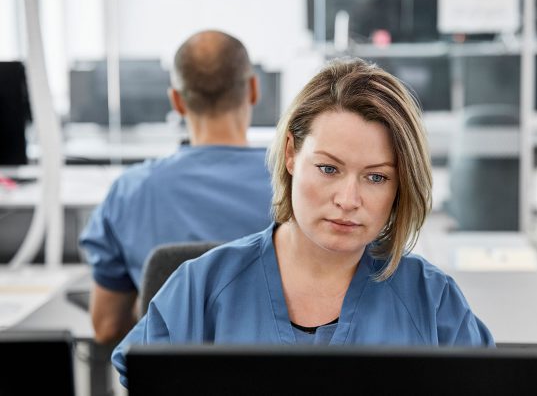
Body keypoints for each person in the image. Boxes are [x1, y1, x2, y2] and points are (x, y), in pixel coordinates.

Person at [112, 57, 494, 387]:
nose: (348, 200)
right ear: (292, 154)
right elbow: (143, 375)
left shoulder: (431, 302)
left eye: (376, 177)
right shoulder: (201, 290)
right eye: (328, 168)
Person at [79, 30, 273, 345]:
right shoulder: (297, 186)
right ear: (253, 89)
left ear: (177, 101)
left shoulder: (130, 192)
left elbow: (107, 326)